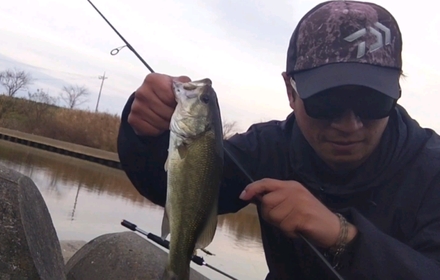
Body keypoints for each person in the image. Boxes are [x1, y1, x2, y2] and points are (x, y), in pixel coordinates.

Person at [116, 0, 440, 279]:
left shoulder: (432, 170)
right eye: (327, 102)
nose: (350, 125)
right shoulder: (268, 148)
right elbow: (177, 188)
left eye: (373, 102)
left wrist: (346, 238)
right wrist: (147, 134)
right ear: (290, 91)